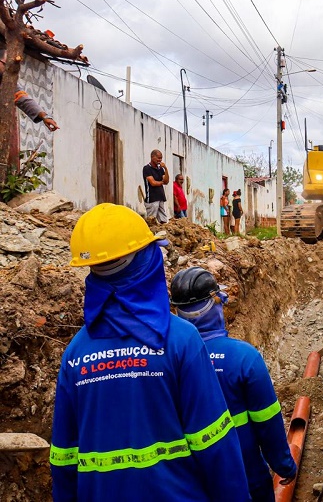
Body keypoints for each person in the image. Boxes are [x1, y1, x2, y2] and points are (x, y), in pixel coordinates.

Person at [50, 204, 250, 502]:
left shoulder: (76, 354)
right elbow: (215, 446)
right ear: (145, 263)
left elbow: (64, 462)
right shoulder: (181, 341)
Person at [170, 267, 297, 502]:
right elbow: (267, 422)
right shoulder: (243, 358)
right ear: (215, 303)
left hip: (189, 481)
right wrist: (284, 465)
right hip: (246, 475)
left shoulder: (167, 360)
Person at [0, 51, 58, 131]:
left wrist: (44, 116)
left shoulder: (7, 82)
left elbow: (23, 99)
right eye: (5, 65)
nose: (8, 69)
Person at [143, 149, 170, 224]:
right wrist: (162, 182)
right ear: (152, 157)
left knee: (163, 219)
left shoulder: (160, 169)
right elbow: (153, 183)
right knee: (152, 220)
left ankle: (164, 235)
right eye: (158, 158)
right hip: (152, 198)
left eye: (161, 158)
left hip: (160, 197)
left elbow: (166, 181)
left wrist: (166, 169)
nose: (160, 160)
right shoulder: (147, 168)